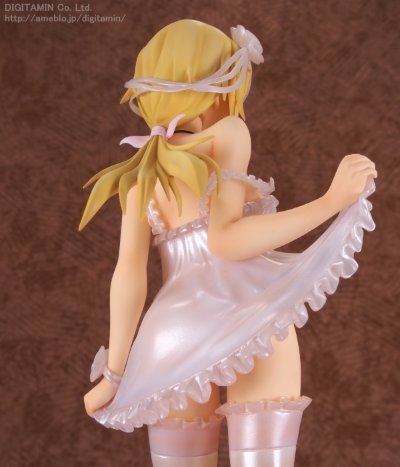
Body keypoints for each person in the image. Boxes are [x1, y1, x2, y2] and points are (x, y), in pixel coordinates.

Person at [81, 20, 377, 467]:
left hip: (172, 335)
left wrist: (115, 374)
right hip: (248, 314)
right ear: (222, 89)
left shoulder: (141, 174)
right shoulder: (229, 133)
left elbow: (129, 277)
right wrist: (329, 202)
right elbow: (226, 240)